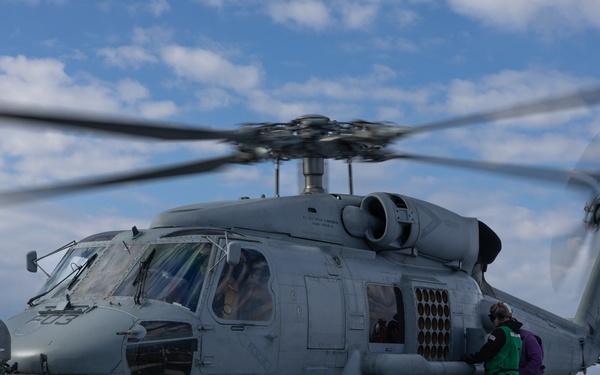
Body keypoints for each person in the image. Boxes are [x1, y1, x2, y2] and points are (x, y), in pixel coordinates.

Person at [463, 302, 522, 375]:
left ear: (501, 315)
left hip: (498, 373)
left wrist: (470, 359)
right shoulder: (516, 333)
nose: (492, 321)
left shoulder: (500, 331)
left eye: (492, 317)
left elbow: (487, 351)